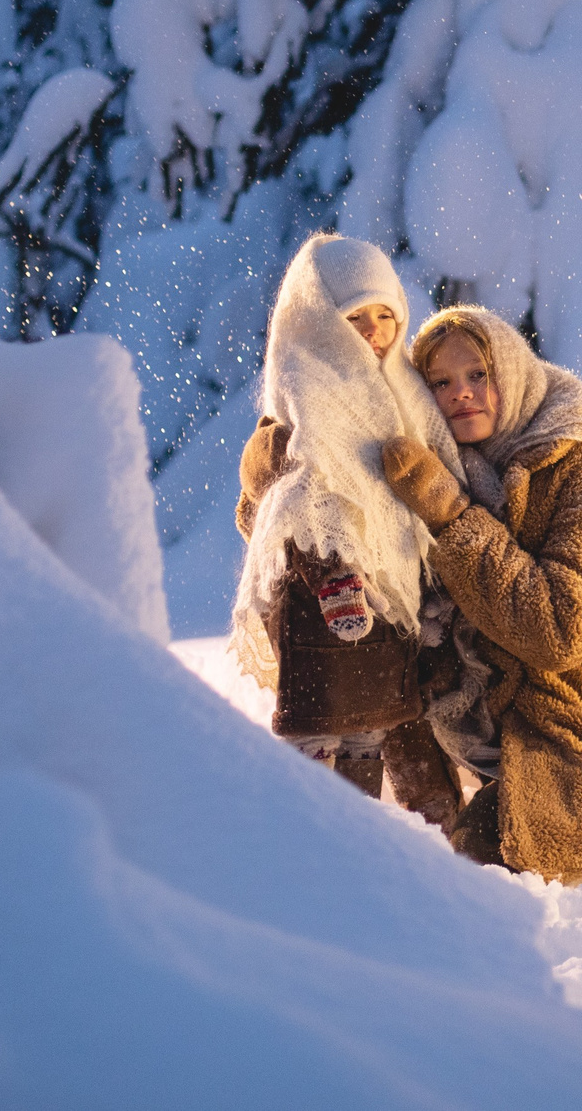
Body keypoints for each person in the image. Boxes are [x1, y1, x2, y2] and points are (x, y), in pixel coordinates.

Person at [381, 306, 582, 884]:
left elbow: (565, 628)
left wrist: (454, 520)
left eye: (478, 375)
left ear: (512, 374)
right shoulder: (441, 465)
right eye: (440, 383)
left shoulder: (581, 465)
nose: (461, 394)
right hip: (499, 713)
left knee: (484, 861)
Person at [230, 234, 461, 828]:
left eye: (387, 314)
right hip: (322, 603)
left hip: (393, 595)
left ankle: (395, 823)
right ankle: (311, 828)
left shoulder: (404, 388)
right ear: (315, 317)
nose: (374, 331)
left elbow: (439, 463)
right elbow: (294, 502)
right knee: (324, 714)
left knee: (381, 714)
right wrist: (328, 566)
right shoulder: (306, 388)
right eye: (355, 316)